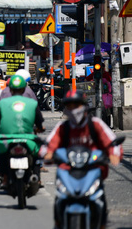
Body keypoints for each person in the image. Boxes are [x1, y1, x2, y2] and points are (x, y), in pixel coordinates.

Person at [41, 90, 123, 228]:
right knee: (60, 198)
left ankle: (101, 224)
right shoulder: (62, 127)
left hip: (92, 168)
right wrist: (47, 154)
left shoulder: (95, 124)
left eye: (76, 105)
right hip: (67, 169)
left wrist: (113, 154)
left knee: (99, 198)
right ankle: (58, 222)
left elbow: (111, 142)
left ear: (84, 106)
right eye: (69, 106)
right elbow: (49, 144)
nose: (73, 109)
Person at [0, 75, 44, 187]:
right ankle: (37, 177)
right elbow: (39, 119)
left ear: (10, 89)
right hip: (27, 138)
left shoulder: (3, 103)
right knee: (37, 154)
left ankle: (5, 178)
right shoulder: (32, 103)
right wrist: (40, 127)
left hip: (7, 138)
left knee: (2, 155)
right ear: (24, 89)